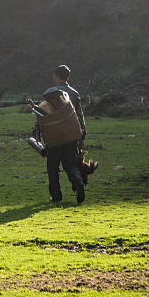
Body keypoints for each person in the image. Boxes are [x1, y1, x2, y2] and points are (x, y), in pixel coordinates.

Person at [36, 65, 91, 204]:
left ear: (56, 76)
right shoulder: (74, 93)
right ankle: (78, 183)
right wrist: (82, 136)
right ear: (68, 77)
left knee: (53, 165)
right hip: (71, 134)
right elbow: (79, 116)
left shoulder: (49, 93)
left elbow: (41, 115)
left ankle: (56, 196)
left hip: (53, 136)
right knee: (70, 164)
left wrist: (38, 134)